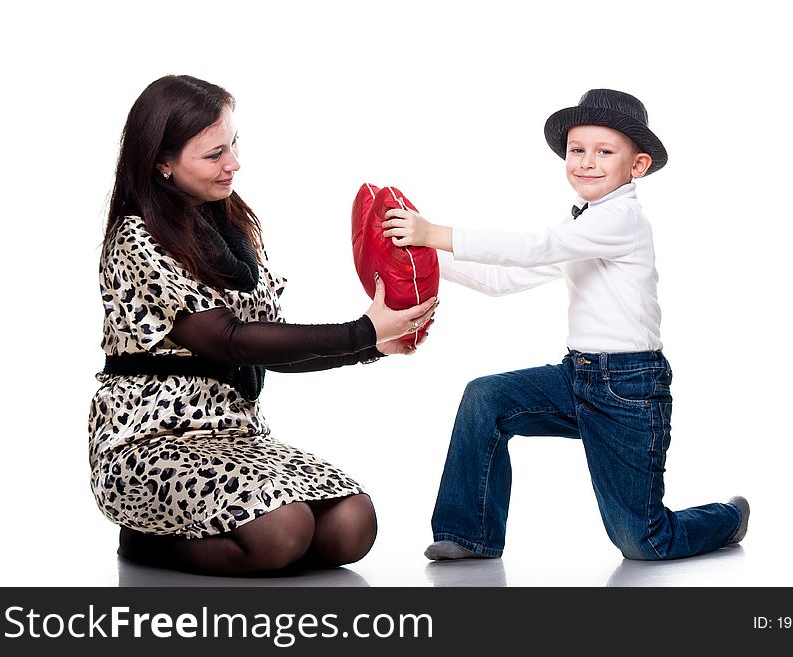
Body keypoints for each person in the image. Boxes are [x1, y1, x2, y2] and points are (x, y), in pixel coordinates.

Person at [89, 74, 437, 576]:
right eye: (213, 155)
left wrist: (376, 345)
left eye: (232, 145)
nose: (233, 163)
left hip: (235, 435)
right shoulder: (137, 240)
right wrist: (361, 330)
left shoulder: (233, 228)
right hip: (149, 442)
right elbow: (227, 341)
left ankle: (253, 545)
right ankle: (147, 542)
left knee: (352, 524)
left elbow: (270, 350)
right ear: (161, 162)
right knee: (283, 531)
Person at [382, 89, 749, 561]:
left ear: (636, 166)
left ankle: (728, 517)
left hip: (629, 388)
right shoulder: (583, 224)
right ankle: (468, 533)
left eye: (604, 152)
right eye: (578, 150)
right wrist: (424, 255)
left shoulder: (622, 220)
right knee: (486, 396)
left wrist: (436, 232)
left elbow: (536, 246)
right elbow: (505, 277)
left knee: (645, 541)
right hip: (577, 377)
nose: (586, 162)